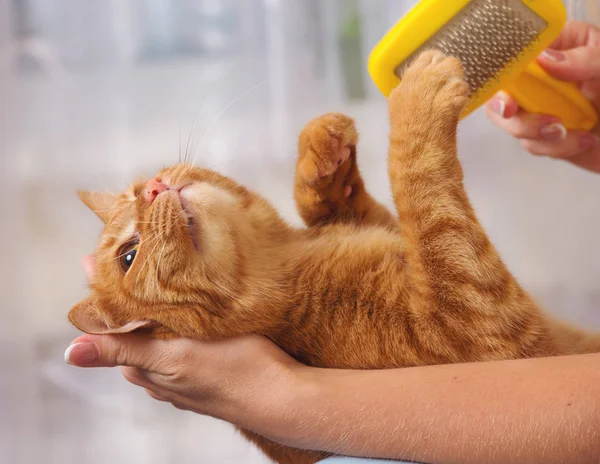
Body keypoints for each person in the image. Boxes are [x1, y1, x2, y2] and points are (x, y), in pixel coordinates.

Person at [65, 21, 600, 464]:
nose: (151, 195)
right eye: (130, 252)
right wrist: (417, 159)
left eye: (139, 191)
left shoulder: (307, 289)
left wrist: (341, 217)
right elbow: (490, 343)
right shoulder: (302, 319)